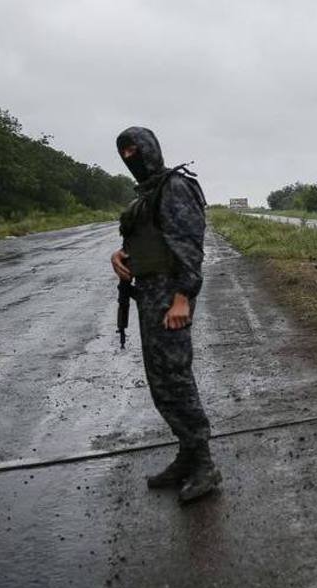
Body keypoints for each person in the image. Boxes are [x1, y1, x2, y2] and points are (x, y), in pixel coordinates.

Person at [110, 126, 220, 503]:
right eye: (123, 153)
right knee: (161, 383)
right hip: (149, 298)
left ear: (151, 149)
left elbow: (189, 245)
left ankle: (203, 463)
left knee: (176, 379)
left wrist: (183, 298)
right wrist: (119, 258)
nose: (131, 159)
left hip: (170, 299)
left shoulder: (174, 187)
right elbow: (140, 242)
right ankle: (187, 454)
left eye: (135, 150)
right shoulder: (147, 195)